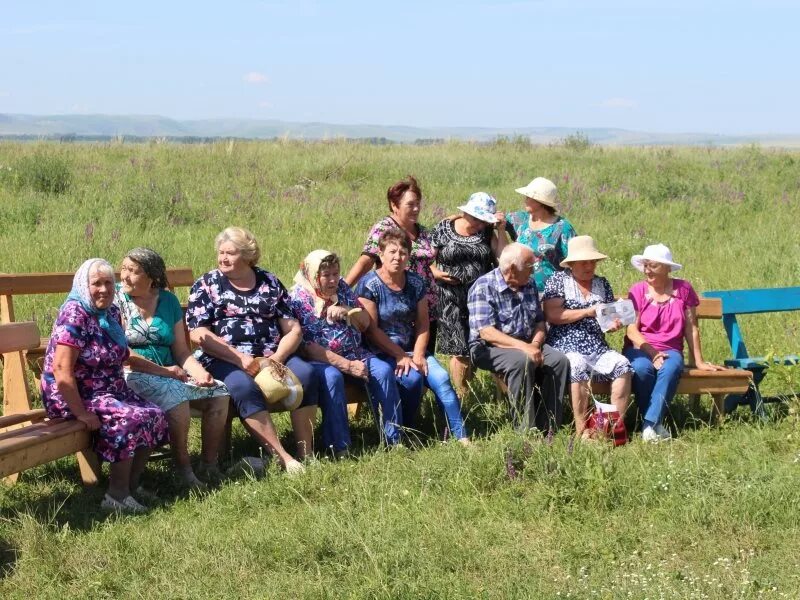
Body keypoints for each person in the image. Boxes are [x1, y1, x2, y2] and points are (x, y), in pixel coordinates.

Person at [41, 259, 169, 513]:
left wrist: (167, 372)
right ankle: (115, 496)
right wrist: (80, 413)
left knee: (155, 414)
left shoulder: (110, 312)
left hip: (108, 390)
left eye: (109, 283)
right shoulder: (75, 314)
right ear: (83, 286)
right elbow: (61, 370)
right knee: (129, 418)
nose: (103, 289)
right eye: (96, 283)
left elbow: (125, 355)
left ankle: (131, 488)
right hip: (73, 393)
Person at [186, 227, 318, 473]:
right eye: (221, 253)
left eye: (230, 253)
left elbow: (293, 330)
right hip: (223, 357)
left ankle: (306, 453)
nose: (223, 258)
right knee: (242, 386)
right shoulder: (207, 284)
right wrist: (240, 358)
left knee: (307, 375)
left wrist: (276, 359)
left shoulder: (269, 281)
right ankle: (284, 458)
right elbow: (198, 333)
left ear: (247, 256)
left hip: (271, 355)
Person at [116, 248, 229, 489]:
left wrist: (198, 371)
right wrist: (166, 372)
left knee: (219, 393)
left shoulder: (167, 300)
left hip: (172, 373)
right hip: (132, 374)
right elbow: (124, 354)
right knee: (175, 395)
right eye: (124, 268)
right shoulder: (117, 301)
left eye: (133, 271)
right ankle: (183, 470)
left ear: (152, 276)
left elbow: (180, 350)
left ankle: (208, 464)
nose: (124, 276)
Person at [357, 228, 470, 445]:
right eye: (391, 252)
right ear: (380, 254)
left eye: (402, 252)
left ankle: (461, 436)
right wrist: (400, 356)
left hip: (413, 348)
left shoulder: (416, 282)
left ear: (409, 256)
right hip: (382, 351)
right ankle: (406, 428)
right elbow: (371, 330)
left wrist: (418, 354)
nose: (397, 257)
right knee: (412, 379)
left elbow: (423, 322)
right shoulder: (369, 285)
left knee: (442, 379)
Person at [288, 249, 405, 453]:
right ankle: (339, 446)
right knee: (333, 378)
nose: (333, 280)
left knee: (384, 371)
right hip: (322, 360)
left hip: (356, 352)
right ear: (311, 274)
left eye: (336, 273)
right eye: (326, 275)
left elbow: (366, 323)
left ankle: (393, 440)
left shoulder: (342, 287)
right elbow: (307, 347)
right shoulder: (298, 298)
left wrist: (346, 309)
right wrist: (347, 366)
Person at [623, 243, 723, 442]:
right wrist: (652, 353)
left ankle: (649, 425)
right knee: (642, 369)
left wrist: (699, 361)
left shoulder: (684, 289)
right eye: (645, 265)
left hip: (671, 348)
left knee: (670, 369)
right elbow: (631, 329)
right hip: (640, 348)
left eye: (652, 266)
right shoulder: (637, 290)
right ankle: (653, 424)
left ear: (667, 268)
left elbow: (691, 327)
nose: (647, 270)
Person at [467, 243, 570, 432]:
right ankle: (525, 429)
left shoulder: (528, 284)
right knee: (521, 361)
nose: (534, 270)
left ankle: (549, 425)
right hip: (489, 347)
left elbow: (539, 322)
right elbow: (486, 332)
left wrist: (536, 343)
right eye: (530, 266)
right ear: (513, 268)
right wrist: (525, 348)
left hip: (527, 342)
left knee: (559, 361)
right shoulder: (484, 286)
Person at [542, 236, 632, 438]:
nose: (589, 266)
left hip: (597, 346)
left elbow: (607, 318)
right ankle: (582, 431)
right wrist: (586, 312)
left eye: (593, 262)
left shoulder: (602, 283)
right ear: (572, 263)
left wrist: (613, 324)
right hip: (565, 344)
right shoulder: (558, 281)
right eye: (584, 262)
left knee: (623, 366)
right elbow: (553, 316)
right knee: (577, 364)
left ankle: (610, 430)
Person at [344, 176, 440, 354]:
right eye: (410, 204)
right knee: (398, 362)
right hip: (394, 307)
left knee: (423, 361)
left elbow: (426, 263)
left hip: (425, 306)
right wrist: (343, 289)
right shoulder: (384, 228)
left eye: (418, 203)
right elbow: (366, 260)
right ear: (395, 205)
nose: (416, 209)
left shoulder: (423, 231)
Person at [431, 192, 507, 397]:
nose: (478, 224)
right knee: (459, 349)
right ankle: (462, 396)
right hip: (449, 297)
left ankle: (500, 396)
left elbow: (503, 259)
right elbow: (424, 258)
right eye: (475, 219)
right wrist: (435, 272)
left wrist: (500, 229)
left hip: (480, 298)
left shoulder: (487, 232)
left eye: (483, 221)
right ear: (465, 212)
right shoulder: (443, 228)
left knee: (484, 342)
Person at [505, 177, 577, 294]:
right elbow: (492, 219)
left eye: (528, 197)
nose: (525, 200)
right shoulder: (520, 219)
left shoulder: (562, 228)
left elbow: (575, 262)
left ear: (540, 202)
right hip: (520, 290)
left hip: (551, 294)